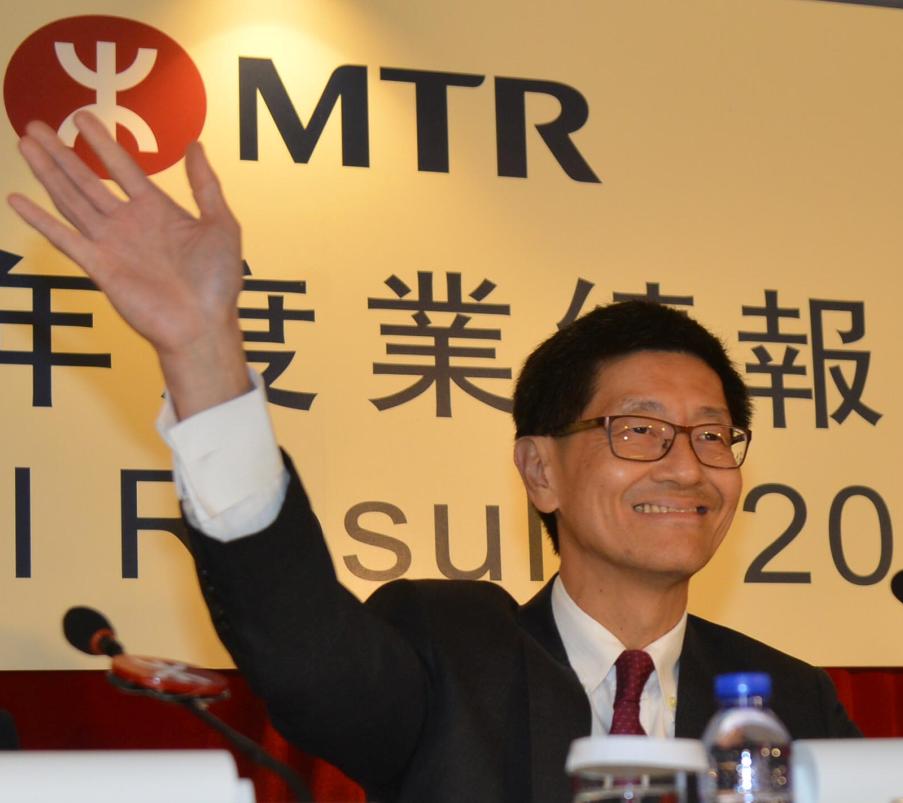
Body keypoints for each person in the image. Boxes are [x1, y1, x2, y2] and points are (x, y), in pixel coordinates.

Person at [8, 113, 859, 803]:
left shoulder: (791, 700)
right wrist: (203, 351)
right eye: (638, 430)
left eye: (712, 434)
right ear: (539, 469)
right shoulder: (451, 653)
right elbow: (304, 653)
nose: (685, 465)